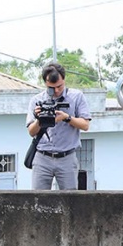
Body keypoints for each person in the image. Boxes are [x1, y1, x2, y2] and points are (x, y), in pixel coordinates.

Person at [26, 61, 92, 190]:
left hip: (66, 156)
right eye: (52, 88)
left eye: (59, 87)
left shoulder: (76, 97)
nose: (56, 91)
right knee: (38, 200)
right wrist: (40, 120)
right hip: (43, 156)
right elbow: (31, 132)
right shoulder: (36, 101)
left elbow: (85, 125)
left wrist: (66, 118)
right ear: (45, 83)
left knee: (70, 201)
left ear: (64, 79)